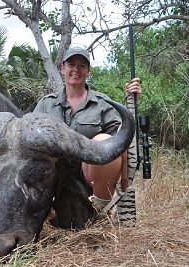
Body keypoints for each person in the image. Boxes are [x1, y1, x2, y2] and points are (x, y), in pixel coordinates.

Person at [34, 47, 141, 217]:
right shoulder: (46, 104)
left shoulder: (103, 103)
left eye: (82, 65)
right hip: (52, 173)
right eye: (71, 64)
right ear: (62, 68)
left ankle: (99, 211)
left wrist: (131, 104)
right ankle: (43, 208)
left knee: (104, 140)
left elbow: (119, 138)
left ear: (88, 72)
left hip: (87, 174)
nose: (76, 69)